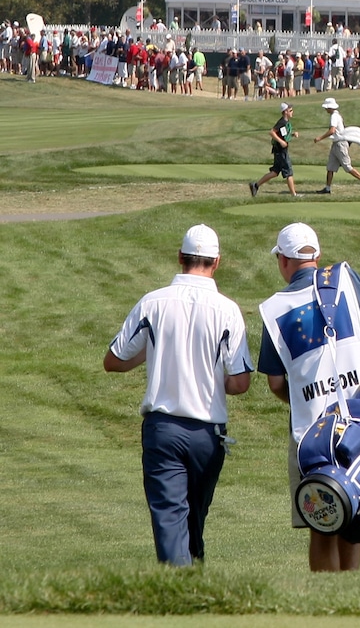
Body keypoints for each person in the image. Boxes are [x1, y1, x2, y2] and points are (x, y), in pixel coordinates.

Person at [103, 224, 252, 566]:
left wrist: (154, 352)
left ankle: (179, 592)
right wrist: (217, 382)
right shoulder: (227, 309)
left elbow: (113, 361)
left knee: (171, 519)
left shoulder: (152, 302)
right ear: (217, 262)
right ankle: (190, 585)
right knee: (193, 520)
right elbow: (241, 382)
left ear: (180, 258)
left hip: (163, 431)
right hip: (208, 435)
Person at [256, 222, 360, 571]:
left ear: (284, 262)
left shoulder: (273, 309)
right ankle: (348, 598)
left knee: (322, 523)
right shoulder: (348, 278)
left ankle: (326, 605)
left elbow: (277, 384)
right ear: (317, 256)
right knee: (355, 520)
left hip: (311, 433)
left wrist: (310, 399)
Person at [314, 97, 360, 194]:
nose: (325, 109)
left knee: (347, 167)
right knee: (330, 167)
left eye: (326, 107)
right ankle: (327, 188)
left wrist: (320, 138)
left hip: (340, 144)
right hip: (336, 144)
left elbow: (332, 130)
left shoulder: (334, 117)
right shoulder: (335, 115)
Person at [250, 102, 302, 197]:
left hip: (280, 151)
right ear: (285, 112)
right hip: (281, 151)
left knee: (275, 172)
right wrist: (281, 142)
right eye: (290, 110)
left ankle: (255, 185)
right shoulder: (282, 122)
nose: (292, 112)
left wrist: (292, 135)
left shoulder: (285, 122)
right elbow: (272, 132)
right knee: (288, 171)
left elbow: (283, 135)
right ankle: (294, 195)